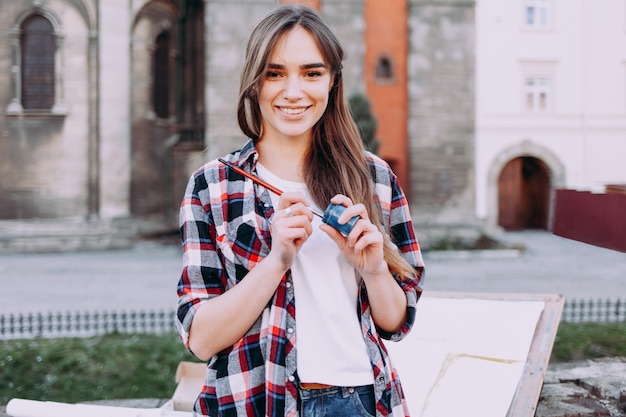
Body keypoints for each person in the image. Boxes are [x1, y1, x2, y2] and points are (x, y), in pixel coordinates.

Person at [176, 5, 425, 417]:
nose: (294, 91)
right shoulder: (214, 184)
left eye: (312, 73)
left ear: (332, 81)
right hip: (252, 401)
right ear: (255, 83)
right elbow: (201, 340)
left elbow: (397, 322)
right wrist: (277, 261)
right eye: (275, 73)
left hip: (359, 400)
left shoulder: (374, 177)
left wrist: (375, 269)